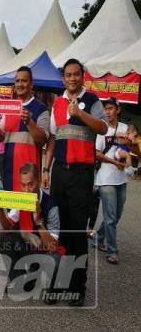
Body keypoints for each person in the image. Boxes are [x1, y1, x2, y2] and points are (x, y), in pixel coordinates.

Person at [42, 58, 107, 306]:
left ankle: (77, 287)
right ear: (63, 78)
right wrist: (46, 168)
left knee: (77, 231)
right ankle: (58, 284)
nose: (72, 78)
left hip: (81, 174)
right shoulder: (57, 103)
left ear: (82, 76)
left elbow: (102, 128)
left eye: (76, 74)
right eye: (68, 75)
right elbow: (53, 139)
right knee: (59, 230)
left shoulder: (92, 100)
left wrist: (80, 113)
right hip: (60, 172)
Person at [0, 66, 50, 232]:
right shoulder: (7, 107)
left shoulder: (41, 109)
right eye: (17, 80)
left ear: (31, 84)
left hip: (29, 177)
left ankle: (32, 255)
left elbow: (42, 140)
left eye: (24, 80)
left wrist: (30, 122)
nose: (20, 84)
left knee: (30, 218)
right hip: (9, 172)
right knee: (11, 221)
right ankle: (14, 256)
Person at [0, 163, 62, 303]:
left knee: (56, 259)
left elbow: (52, 246)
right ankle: (21, 281)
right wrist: (0, 210)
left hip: (45, 249)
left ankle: (54, 287)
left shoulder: (51, 205)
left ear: (38, 181)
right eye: (23, 185)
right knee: (1, 237)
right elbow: (7, 228)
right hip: (28, 243)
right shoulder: (21, 199)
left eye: (30, 185)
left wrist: (38, 221)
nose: (26, 190)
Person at [92, 98, 129, 265]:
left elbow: (129, 148)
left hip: (121, 178)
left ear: (118, 109)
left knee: (116, 215)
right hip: (105, 178)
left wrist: (126, 157)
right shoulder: (102, 129)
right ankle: (112, 251)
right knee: (111, 217)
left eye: (110, 108)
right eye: (105, 109)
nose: (107, 112)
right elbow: (96, 152)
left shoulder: (124, 128)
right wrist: (114, 162)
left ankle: (98, 237)